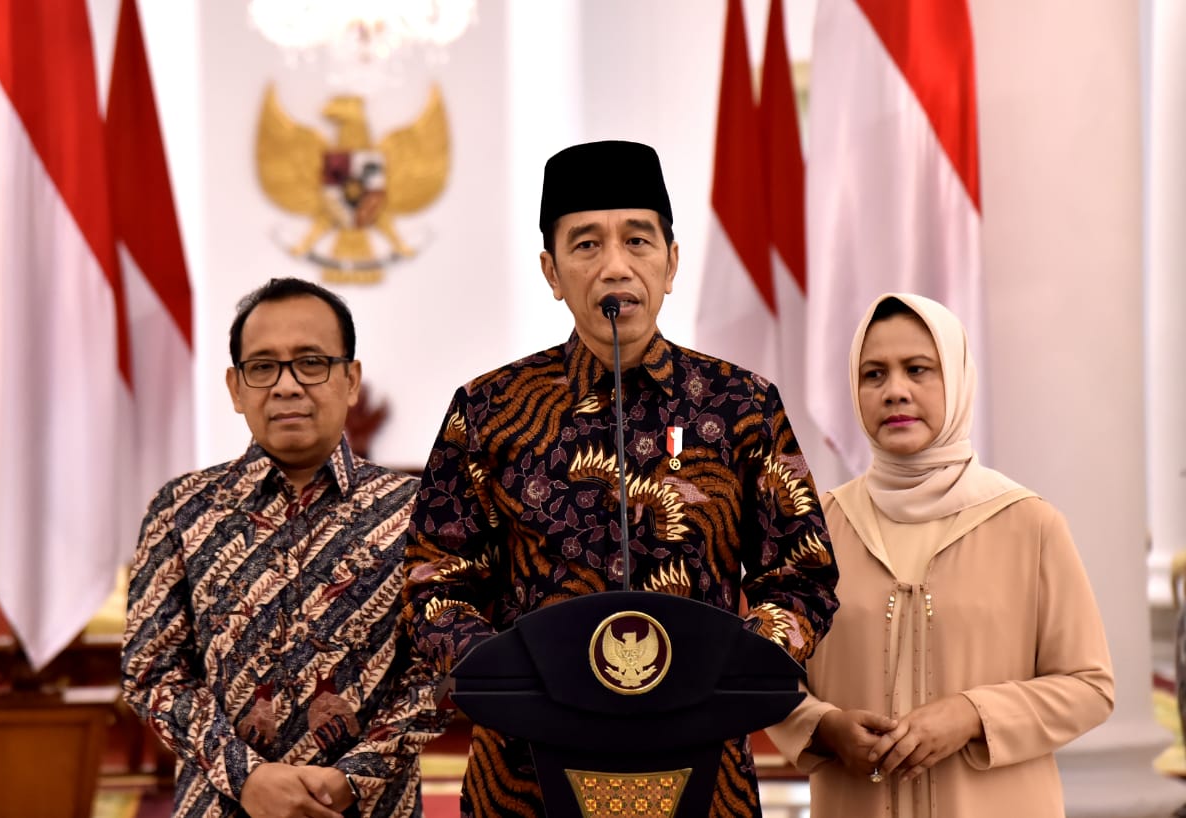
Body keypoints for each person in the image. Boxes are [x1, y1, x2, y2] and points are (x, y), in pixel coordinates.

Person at [400, 139, 840, 816]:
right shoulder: (488, 410)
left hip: (704, 765)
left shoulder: (742, 404)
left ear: (671, 261)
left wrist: (730, 662)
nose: (615, 266)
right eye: (585, 245)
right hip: (524, 778)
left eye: (638, 240)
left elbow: (802, 576)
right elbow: (435, 583)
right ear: (550, 271)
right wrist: (518, 674)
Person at [766, 292, 1114, 817]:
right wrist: (825, 727)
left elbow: (1089, 685)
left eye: (919, 369)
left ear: (956, 378)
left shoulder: (1028, 523)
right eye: (874, 374)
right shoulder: (818, 527)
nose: (895, 391)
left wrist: (973, 715)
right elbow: (767, 675)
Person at [121, 278, 448, 818]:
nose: (287, 386)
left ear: (351, 380)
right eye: (263, 366)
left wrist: (351, 779)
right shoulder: (182, 510)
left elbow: (439, 673)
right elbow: (152, 671)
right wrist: (246, 777)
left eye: (311, 362)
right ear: (236, 387)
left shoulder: (417, 513)